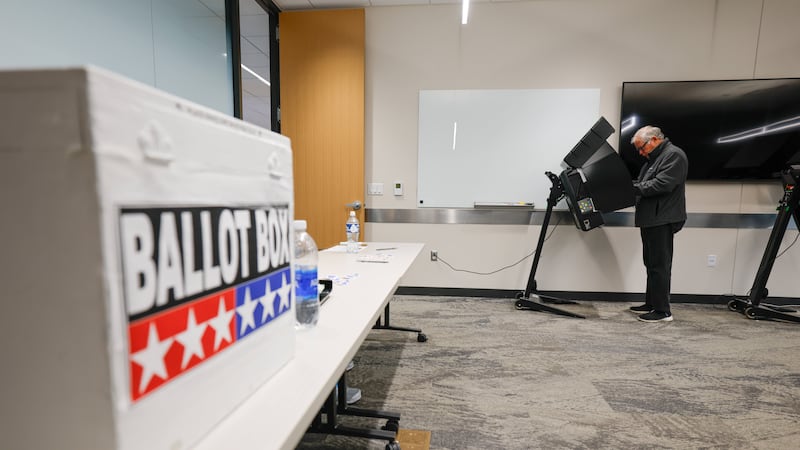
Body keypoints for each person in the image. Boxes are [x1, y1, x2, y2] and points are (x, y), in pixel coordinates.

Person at [629, 126, 688, 322]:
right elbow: (642, 183)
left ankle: (663, 311)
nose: (640, 153)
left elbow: (662, 184)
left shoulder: (674, 155)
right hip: (652, 218)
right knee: (651, 263)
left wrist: (632, 188)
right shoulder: (654, 160)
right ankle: (652, 302)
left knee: (660, 265)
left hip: (662, 218)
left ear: (654, 140)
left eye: (641, 147)